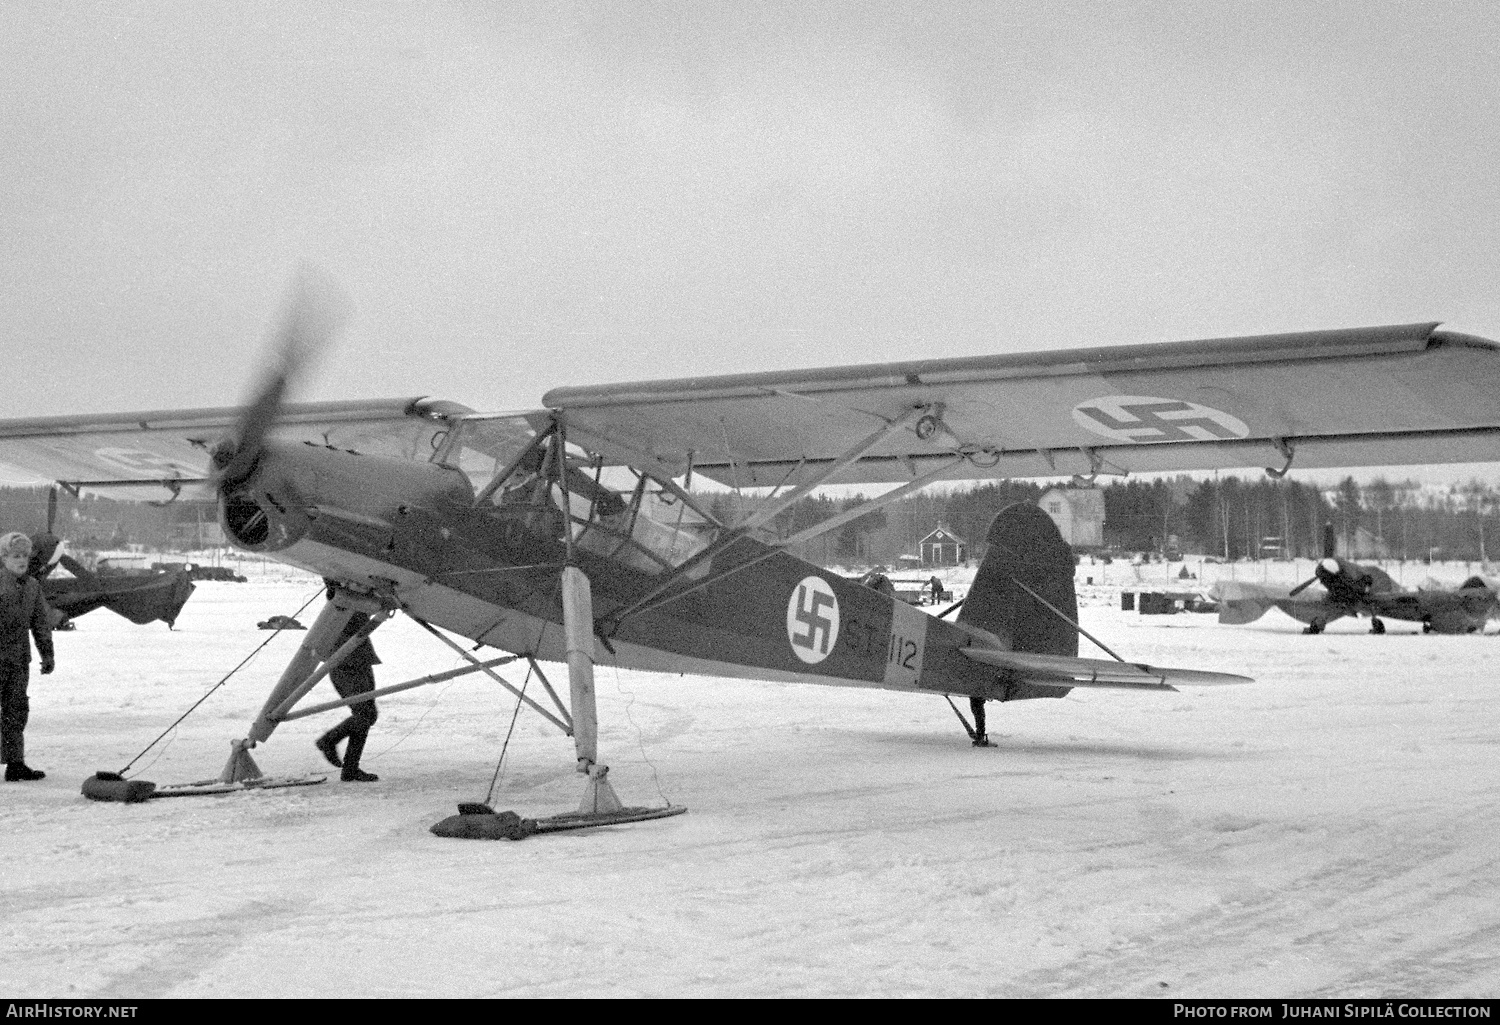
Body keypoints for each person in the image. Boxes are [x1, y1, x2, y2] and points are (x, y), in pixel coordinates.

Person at [0, 532, 54, 781]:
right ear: (4, 557)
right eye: (16, 556)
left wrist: (47, 653)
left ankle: (15, 763)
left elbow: (40, 623)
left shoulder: (32, 586)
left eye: (25, 556)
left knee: (17, 710)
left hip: (19, 660)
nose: (22, 560)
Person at [314, 611, 382, 782]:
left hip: (357, 659)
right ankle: (329, 741)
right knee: (365, 714)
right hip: (347, 663)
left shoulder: (356, 602)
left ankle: (350, 769)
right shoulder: (348, 603)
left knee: (365, 715)